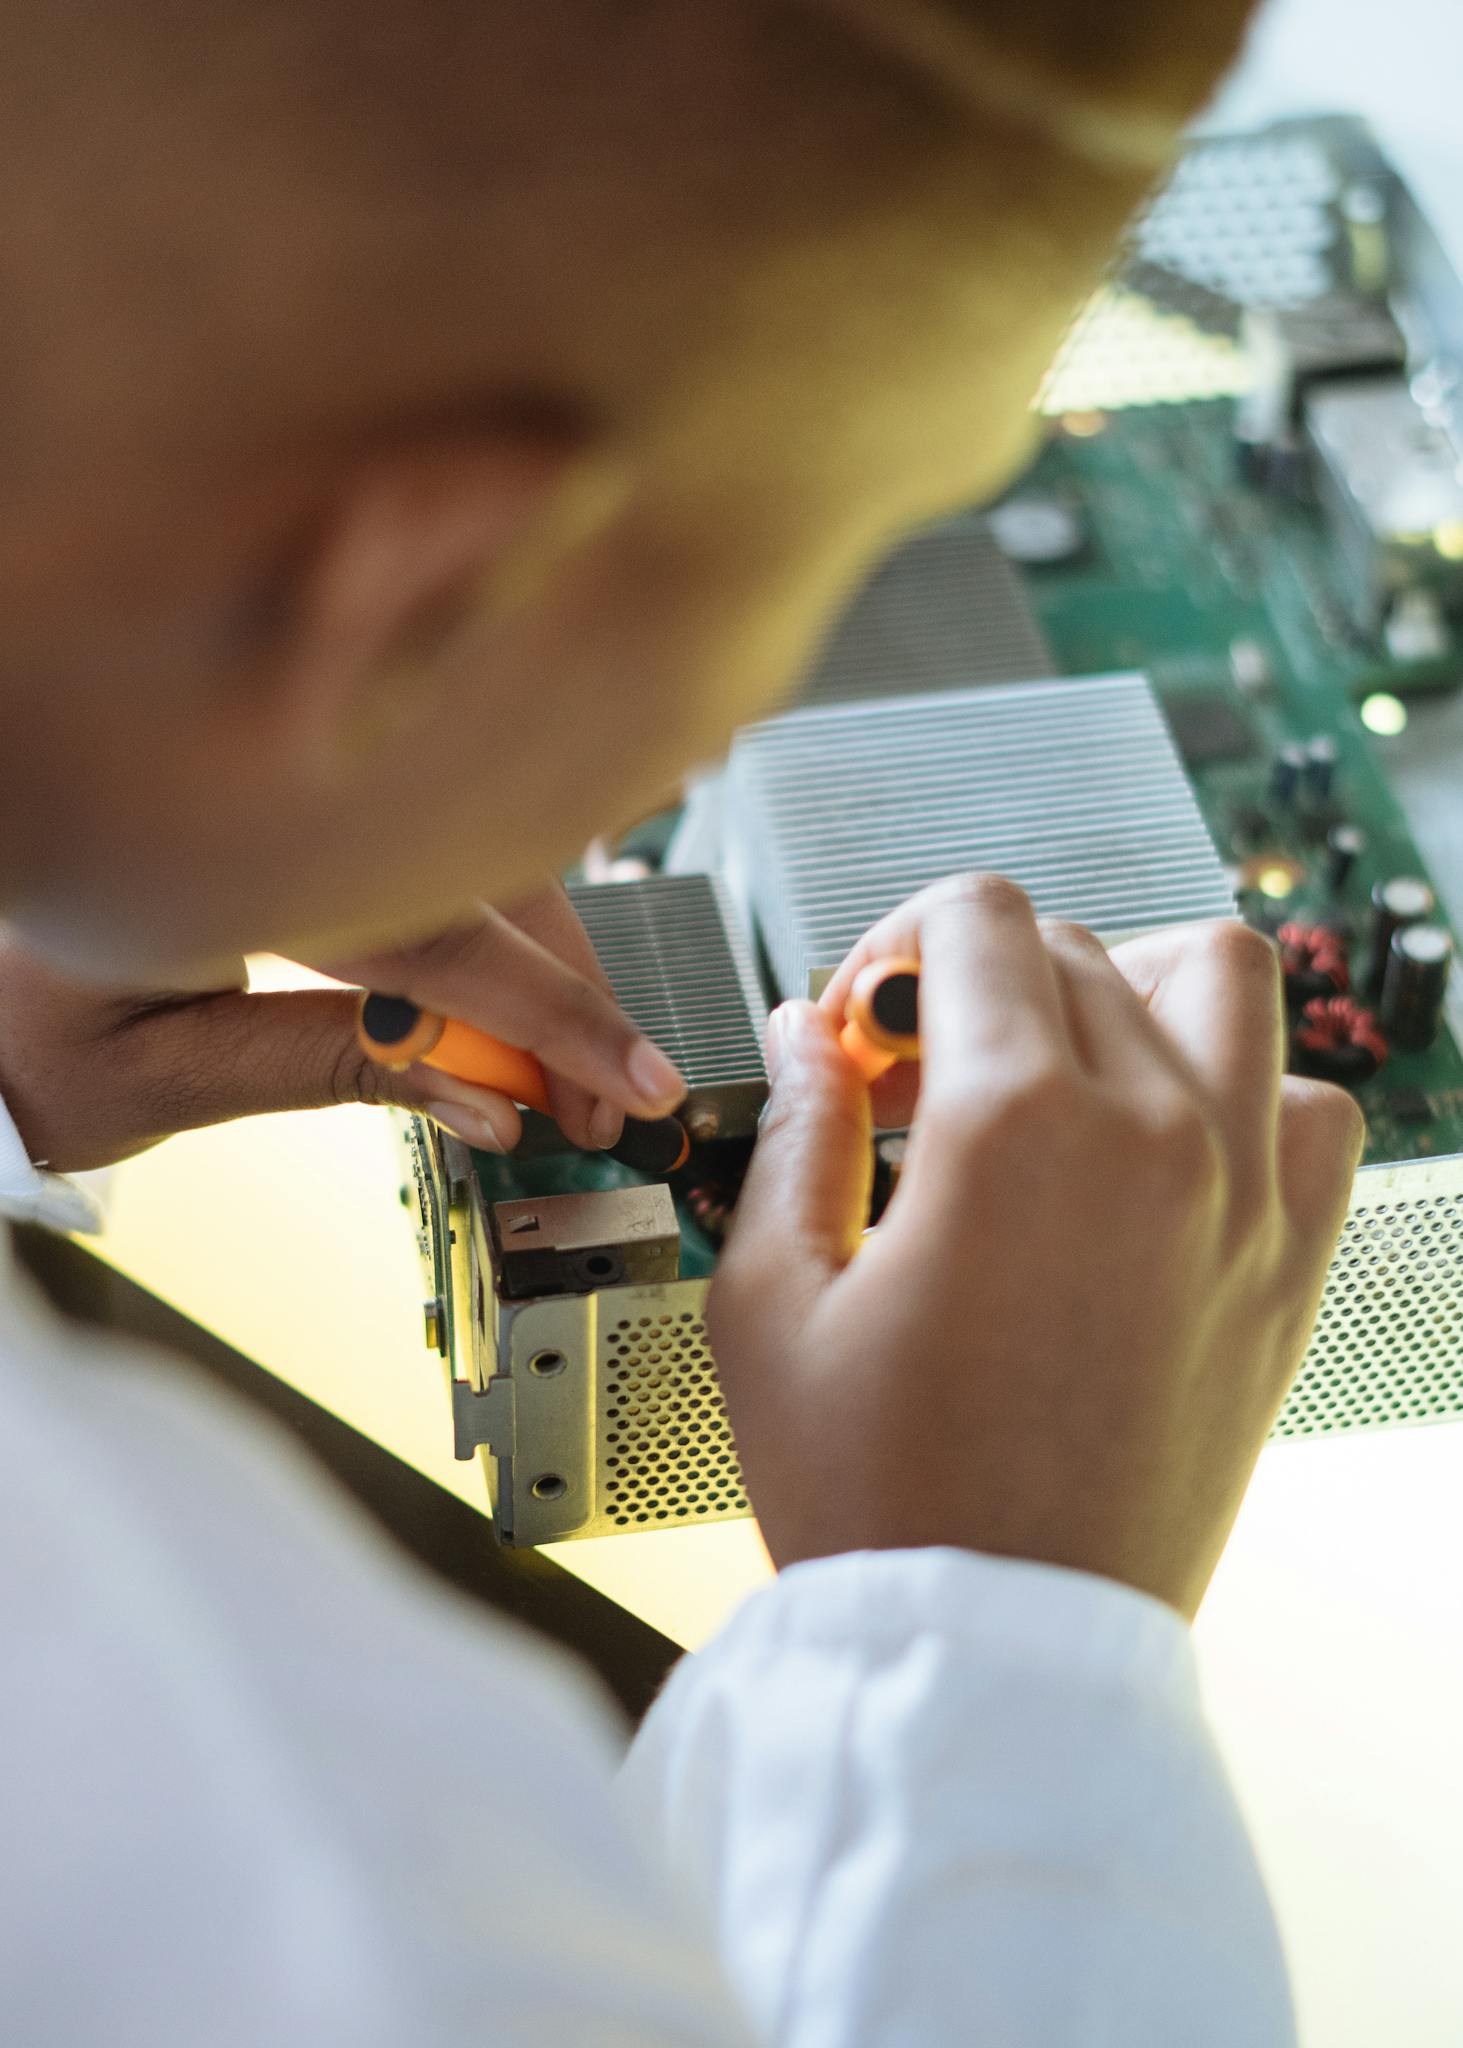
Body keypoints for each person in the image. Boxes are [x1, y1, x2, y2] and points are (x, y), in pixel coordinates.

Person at [0, 2, 1363, 2041]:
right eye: (831, 567)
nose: (764, 708)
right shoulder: (295, 1845)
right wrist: (992, 1636)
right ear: (436, 607)